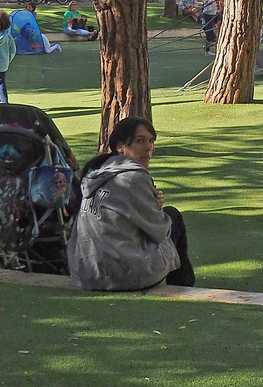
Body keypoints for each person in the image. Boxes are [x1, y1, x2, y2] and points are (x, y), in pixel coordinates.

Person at [67, 116, 195, 291]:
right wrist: (156, 209)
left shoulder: (96, 172)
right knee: (173, 217)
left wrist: (152, 206)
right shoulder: (133, 176)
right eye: (140, 141)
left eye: (151, 141)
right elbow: (159, 230)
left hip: (88, 274)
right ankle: (184, 288)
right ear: (120, 147)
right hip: (122, 276)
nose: (148, 148)